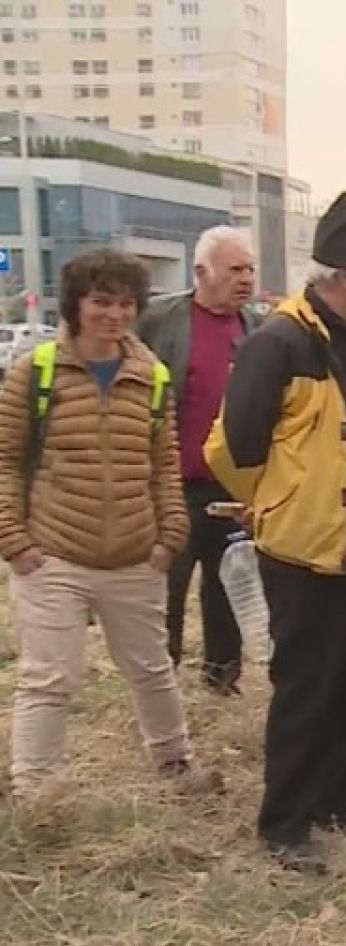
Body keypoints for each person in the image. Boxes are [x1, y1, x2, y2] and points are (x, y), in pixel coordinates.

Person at [205, 193, 346, 872]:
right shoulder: (281, 342)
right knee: (306, 689)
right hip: (303, 550)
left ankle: (345, 800)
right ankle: (285, 822)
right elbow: (235, 446)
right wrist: (277, 505)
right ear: (344, 274)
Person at [0, 248, 206, 801]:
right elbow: (7, 460)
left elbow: (162, 463)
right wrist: (15, 542)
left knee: (152, 668)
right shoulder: (35, 373)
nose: (113, 315)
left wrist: (169, 537)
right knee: (49, 677)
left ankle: (175, 762)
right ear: (76, 304)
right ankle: (36, 788)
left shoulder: (152, 377)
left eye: (124, 303)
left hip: (136, 556)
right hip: (53, 556)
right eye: (101, 301)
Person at [139, 226, 259, 697]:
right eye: (235, 269)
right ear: (201, 272)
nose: (246, 278)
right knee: (164, 587)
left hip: (231, 486)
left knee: (229, 583)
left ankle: (222, 677)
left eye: (250, 269)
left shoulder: (257, 329)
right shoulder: (160, 319)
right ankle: (158, 679)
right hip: (172, 485)